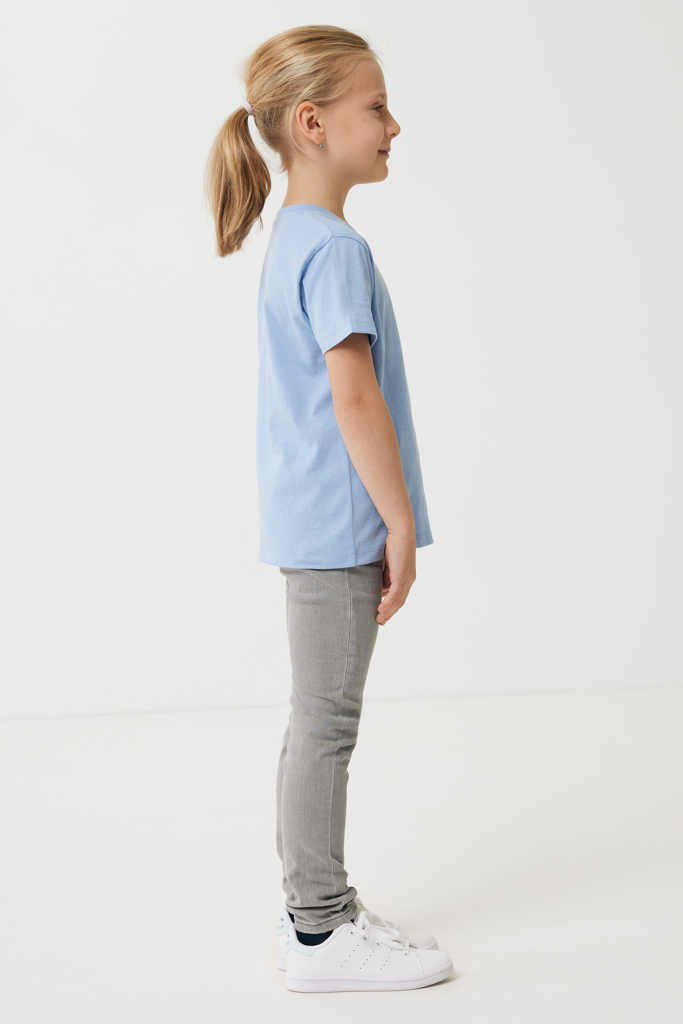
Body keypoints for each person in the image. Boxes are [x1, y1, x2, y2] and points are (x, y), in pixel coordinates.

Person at [204, 24, 452, 993]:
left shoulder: (299, 238)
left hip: (311, 519)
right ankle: (316, 929)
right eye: (375, 106)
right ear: (312, 124)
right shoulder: (334, 248)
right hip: (338, 523)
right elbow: (354, 399)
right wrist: (399, 521)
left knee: (316, 719)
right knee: (325, 723)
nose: (394, 124)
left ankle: (317, 907)